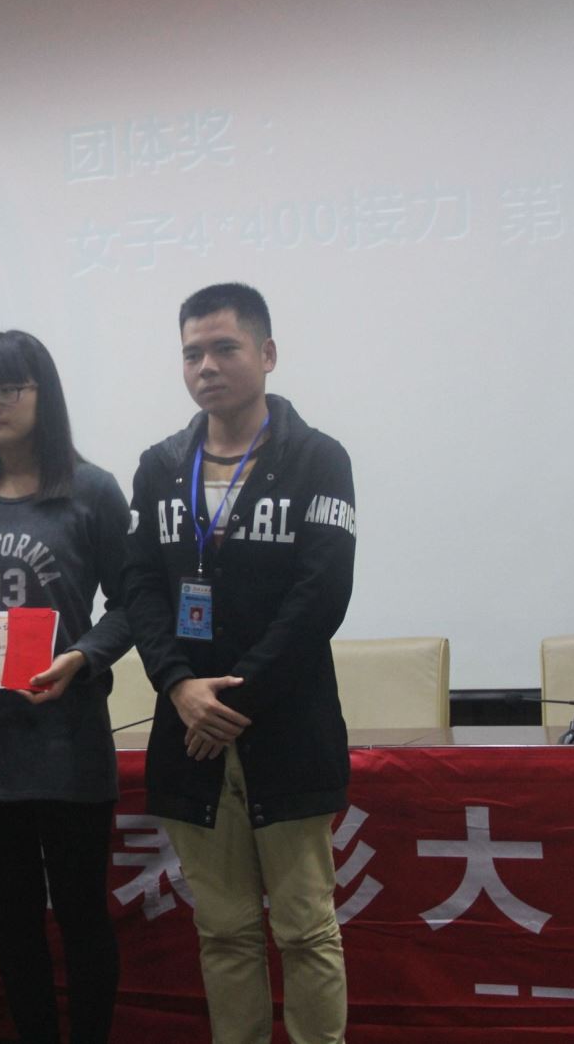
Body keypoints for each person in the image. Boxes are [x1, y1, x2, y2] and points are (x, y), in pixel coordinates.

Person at [124, 283, 355, 1044]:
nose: (207, 366)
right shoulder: (160, 466)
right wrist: (178, 685)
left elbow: (320, 597)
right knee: (223, 932)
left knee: (306, 929)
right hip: (189, 734)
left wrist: (234, 700)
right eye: (192, 353)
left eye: (225, 348)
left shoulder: (317, 459)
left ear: (267, 353)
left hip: (286, 730)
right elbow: (139, 587)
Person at [0, 331, 132, 1043]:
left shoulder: (91, 490)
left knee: (81, 912)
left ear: (44, 395)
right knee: (13, 916)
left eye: (8, 388)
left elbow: (134, 603)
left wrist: (84, 657)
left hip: (67, 740)